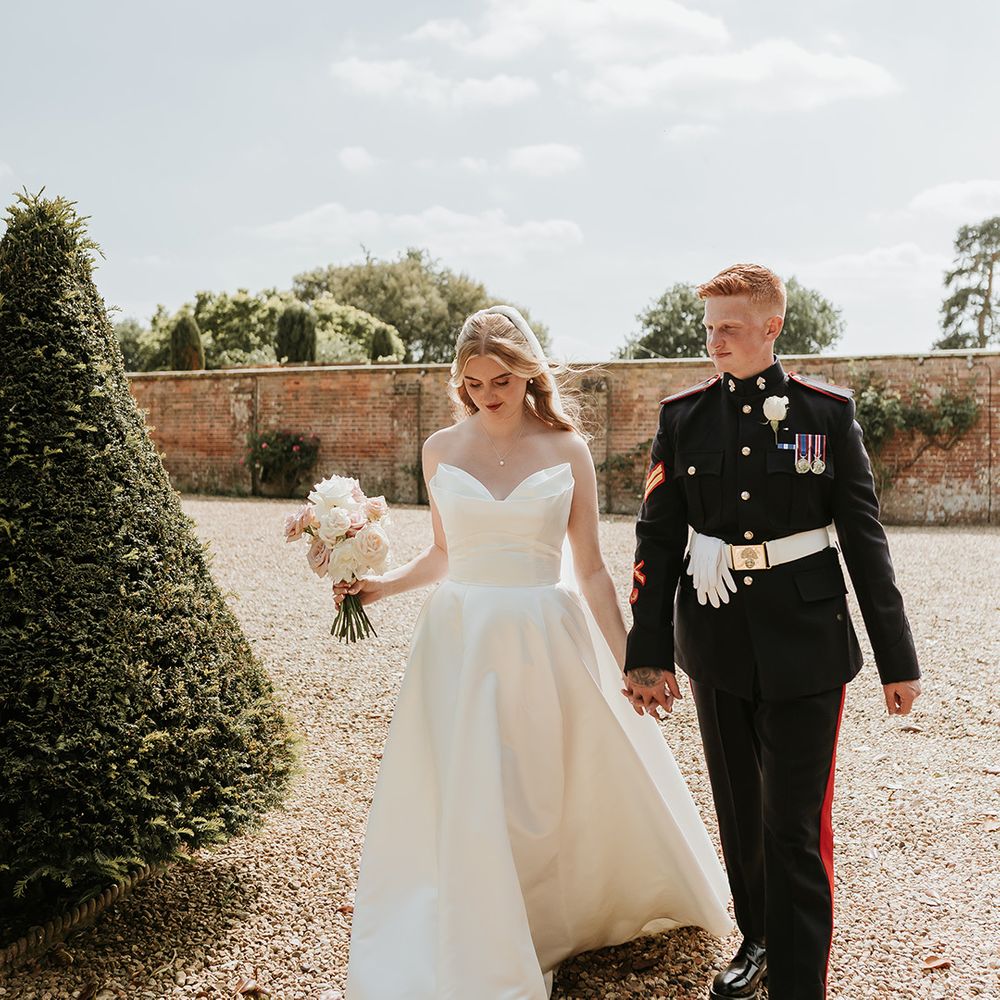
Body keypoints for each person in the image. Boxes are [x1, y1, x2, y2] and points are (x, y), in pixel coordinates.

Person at [338, 306, 733, 999]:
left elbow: (591, 570)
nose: (488, 395)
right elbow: (442, 554)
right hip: (460, 637)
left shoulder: (566, 448)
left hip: (542, 633)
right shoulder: (439, 449)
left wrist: (631, 662)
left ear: (528, 375)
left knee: (539, 785)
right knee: (473, 782)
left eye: (502, 380)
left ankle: (549, 913)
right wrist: (377, 590)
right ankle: (484, 923)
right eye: (474, 382)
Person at [622, 264, 922, 1000]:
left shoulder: (825, 413)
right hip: (717, 640)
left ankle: (798, 982)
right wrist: (647, 655)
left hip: (807, 643)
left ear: (771, 326)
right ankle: (757, 939)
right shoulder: (684, 417)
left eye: (729, 325)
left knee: (792, 824)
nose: (714, 339)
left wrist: (897, 659)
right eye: (708, 327)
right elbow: (656, 541)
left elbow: (863, 536)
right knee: (740, 812)